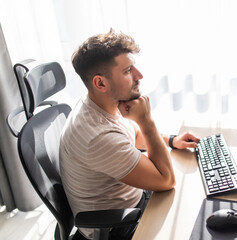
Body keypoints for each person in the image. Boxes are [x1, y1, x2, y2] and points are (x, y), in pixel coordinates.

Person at [59, 29, 200, 240]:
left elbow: (134, 136)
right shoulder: (98, 137)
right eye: (127, 71)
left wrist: (172, 140)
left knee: (194, 196)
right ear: (100, 83)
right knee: (191, 219)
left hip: (133, 203)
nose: (139, 75)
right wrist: (146, 120)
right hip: (118, 227)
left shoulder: (99, 103)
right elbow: (166, 180)